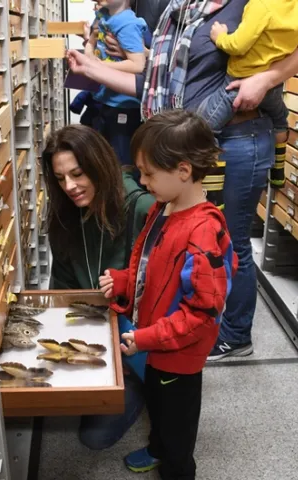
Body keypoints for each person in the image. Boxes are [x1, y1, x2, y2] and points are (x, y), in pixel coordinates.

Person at [67, 0, 295, 360]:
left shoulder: (243, 5)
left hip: (238, 138)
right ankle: (189, 322)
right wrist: (92, 68)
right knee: (189, 240)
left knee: (228, 242)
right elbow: (149, 83)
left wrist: (268, 78)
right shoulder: (176, 11)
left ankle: (235, 335)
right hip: (181, 146)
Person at [99, 110, 238, 478]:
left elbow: (200, 314)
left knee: (177, 422)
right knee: (158, 406)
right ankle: (158, 447)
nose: (141, 182)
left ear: (182, 170)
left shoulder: (203, 233)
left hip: (177, 353)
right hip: (155, 342)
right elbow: (149, 266)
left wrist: (146, 337)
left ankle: (176, 465)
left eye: (148, 173)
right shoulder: (163, 207)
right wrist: (124, 281)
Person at [42, 124, 155, 449]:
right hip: (93, 332)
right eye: (61, 178)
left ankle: (143, 386)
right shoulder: (64, 219)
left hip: (137, 341)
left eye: (78, 174)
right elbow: (61, 291)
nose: (70, 186)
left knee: (95, 437)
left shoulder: (142, 209)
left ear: (98, 166)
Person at [197, 0, 298, 189]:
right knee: (280, 119)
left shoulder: (261, 5)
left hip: (239, 84)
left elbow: (237, 45)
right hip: (271, 86)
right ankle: (277, 172)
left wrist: (219, 37)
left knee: (204, 127)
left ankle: (213, 196)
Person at [83, 0, 150, 167]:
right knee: (102, 161)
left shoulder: (126, 23)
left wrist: (97, 66)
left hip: (123, 107)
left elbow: (137, 64)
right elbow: (91, 44)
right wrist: (89, 55)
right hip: (104, 101)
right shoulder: (103, 17)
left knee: (122, 165)